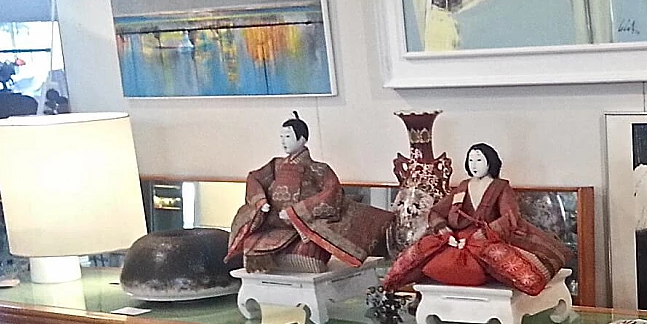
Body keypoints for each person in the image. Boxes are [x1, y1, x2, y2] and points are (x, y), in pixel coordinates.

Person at [381, 143, 570, 296]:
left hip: (486, 237)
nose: (474, 164)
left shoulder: (500, 187)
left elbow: (509, 217)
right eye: (471, 160)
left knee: (499, 258)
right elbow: (437, 211)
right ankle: (393, 284)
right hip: (456, 238)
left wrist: (485, 234)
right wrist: (444, 230)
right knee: (425, 253)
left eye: (479, 160)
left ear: (490, 162)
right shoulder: (463, 187)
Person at [227, 113, 393, 273]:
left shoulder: (319, 169)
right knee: (251, 243)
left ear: (302, 139)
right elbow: (254, 178)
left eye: (288, 137)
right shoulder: (275, 165)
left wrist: (295, 212)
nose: (284, 142)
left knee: (310, 249)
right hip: (274, 223)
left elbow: (332, 193)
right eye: (282, 137)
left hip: (304, 228)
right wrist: (261, 202)